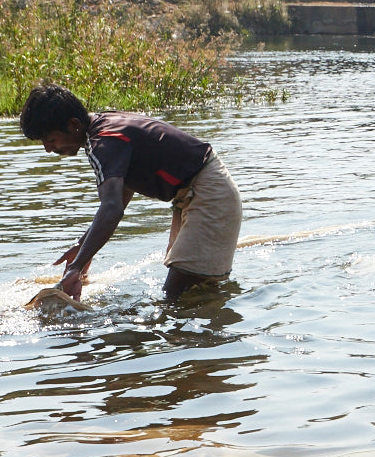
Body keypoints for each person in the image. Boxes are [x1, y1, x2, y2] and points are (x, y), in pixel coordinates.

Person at [19, 83, 242, 302]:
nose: (48, 148)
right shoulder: (103, 126)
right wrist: (81, 248)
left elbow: (112, 208)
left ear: (74, 124)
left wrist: (76, 267)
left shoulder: (103, 142)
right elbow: (124, 190)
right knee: (196, 292)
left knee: (173, 300)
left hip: (208, 194)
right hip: (198, 193)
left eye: (50, 139)